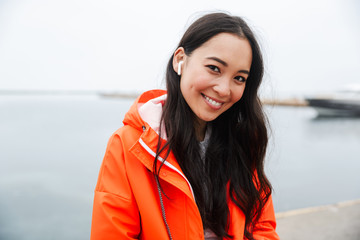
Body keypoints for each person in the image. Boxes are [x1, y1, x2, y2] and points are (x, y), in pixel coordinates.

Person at [91, 12, 279, 240]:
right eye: (214, 68)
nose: (224, 89)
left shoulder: (243, 143)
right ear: (180, 59)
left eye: (239, 78)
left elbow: (262, 227)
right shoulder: (128, 145)